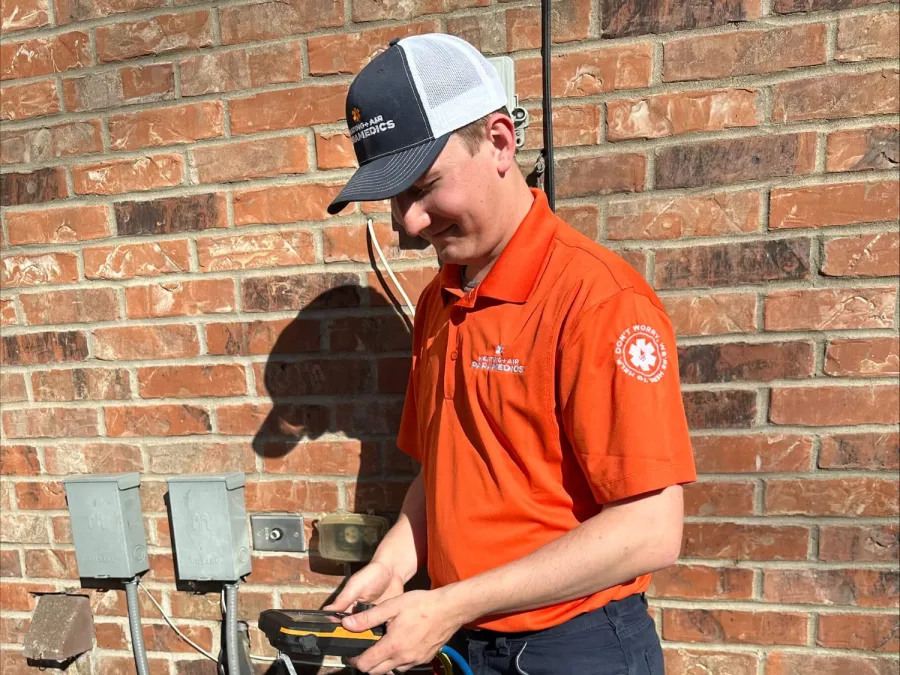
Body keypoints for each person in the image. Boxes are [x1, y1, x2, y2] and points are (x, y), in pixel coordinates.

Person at [322, 33, 697, 675]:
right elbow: (444, 473)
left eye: (424, 185)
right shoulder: (438, 300)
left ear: (499, 141)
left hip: (576, 645)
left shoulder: (597, 300)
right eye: (393, 196)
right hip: (465, 638)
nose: (407, 222)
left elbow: (651, 528)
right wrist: (390, 565)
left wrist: (451, 603)